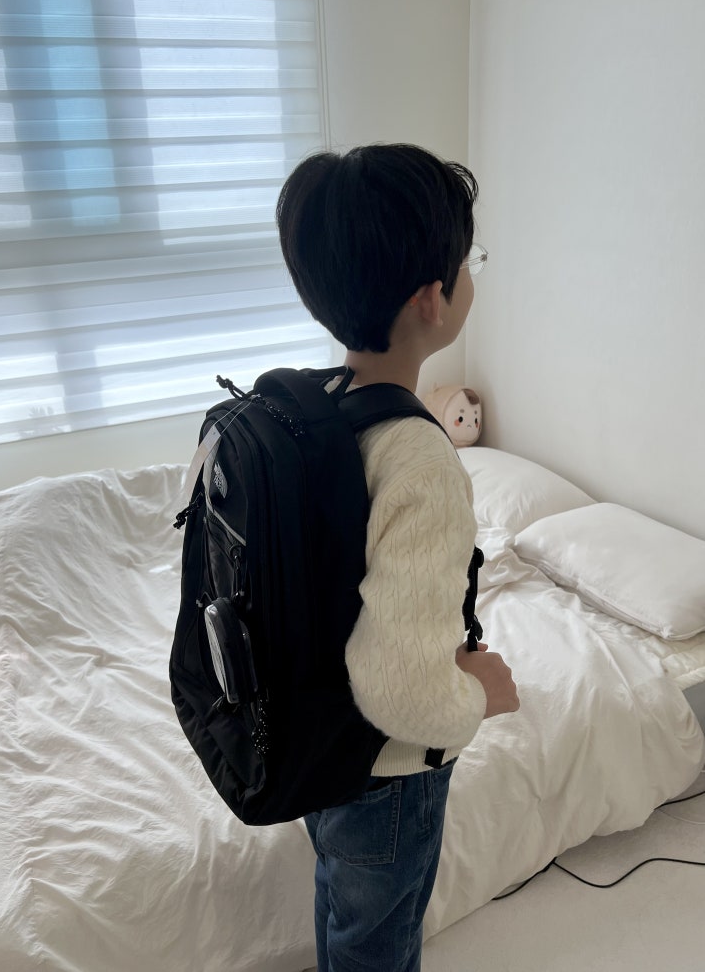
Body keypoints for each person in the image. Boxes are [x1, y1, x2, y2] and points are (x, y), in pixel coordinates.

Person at [276, 144, 520, 972]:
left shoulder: (317, 406)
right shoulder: (419, 461)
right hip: (385, 771)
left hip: (319, 738)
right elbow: (401, 691)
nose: (470, 277)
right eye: (467, 260)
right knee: (377, 944)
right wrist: (479, 695)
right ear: (430, 298)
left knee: (344, 908)